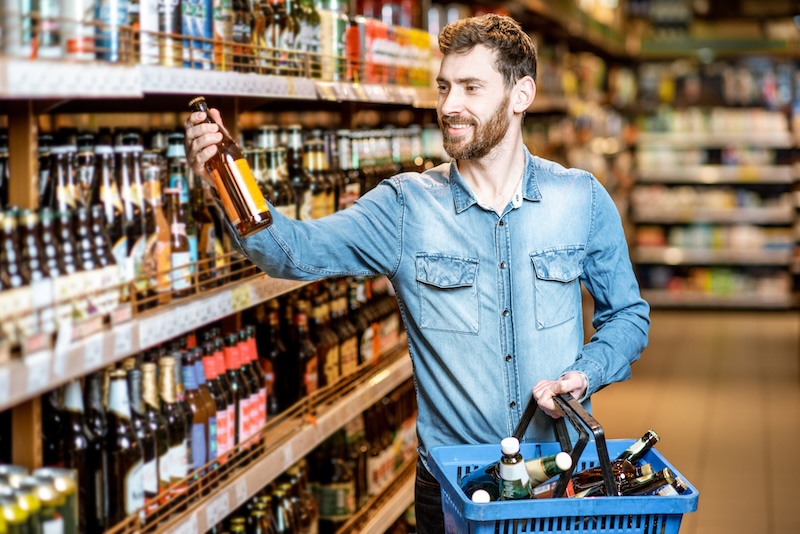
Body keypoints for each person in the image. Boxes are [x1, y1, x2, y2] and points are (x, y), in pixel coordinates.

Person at [184, 13, 649, 532]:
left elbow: (628, 317)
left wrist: (584, 375)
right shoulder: (405, 207)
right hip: (454, 487)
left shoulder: (580, 198)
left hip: (557, 479)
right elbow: (290, 252)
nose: (450, 105)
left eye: (472, 88)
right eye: (445, 86)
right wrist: (225, 180)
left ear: (522, 95)